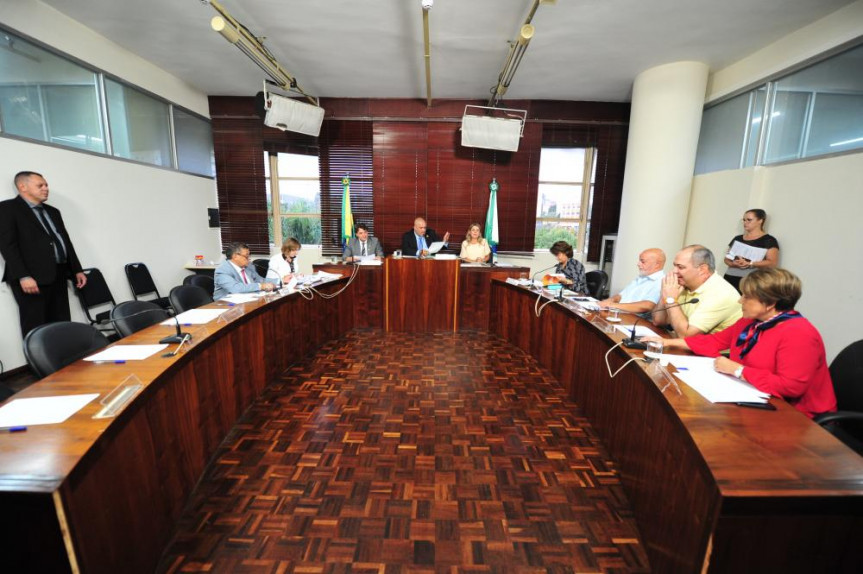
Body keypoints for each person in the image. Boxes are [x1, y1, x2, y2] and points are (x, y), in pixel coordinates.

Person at [646, 268, 836, 419]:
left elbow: (791, 387)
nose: (740, 300)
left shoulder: (799, 333)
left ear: (769, 303)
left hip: (796, 415)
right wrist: (667, 342)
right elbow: (715, 341)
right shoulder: (750, 322)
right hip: (753, 396)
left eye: (746, 296)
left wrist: (738, 370)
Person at [0, 171, 87, 337]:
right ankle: (38, 362)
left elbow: (65, 242)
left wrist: (76, 269)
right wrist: (23, 276)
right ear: (22, 186)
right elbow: (7, 246)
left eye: (46, 185)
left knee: (61, 322)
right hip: (31, 278)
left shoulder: (53, 211)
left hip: (58, 273)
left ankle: (63, 360)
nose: (46, 188)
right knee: (36, 325)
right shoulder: (7, 209)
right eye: (40, 185)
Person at [652, 245, 741, 336]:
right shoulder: (684, 284)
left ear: (702, 269)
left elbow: (686, 337)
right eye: (674, 266)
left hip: (709, 350)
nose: (674, 271)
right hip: (682, 344)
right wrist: (665, 294)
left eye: (680, 267)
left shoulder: (720, 294)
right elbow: (658, 321)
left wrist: (671, 300)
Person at [723, 208, 780, 292]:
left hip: (751, 282)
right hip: (729, 278)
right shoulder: (737, 238)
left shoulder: (769, 240)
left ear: (760, 221)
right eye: (744, 220)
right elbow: (727, 259)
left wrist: (750, 263)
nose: (745, 223)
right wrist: (733, 263)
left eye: (749, 220)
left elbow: (772, 263)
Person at [600, 248, 666, 313]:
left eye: (643, 262)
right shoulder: (642, 277)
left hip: (635, 320)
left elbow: (647, 306)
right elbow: (621, 295)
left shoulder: (661, 281)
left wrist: (613, 305)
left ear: (657, 265)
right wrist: (610, 300)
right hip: (620, 314)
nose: (638, 264)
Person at [214, 242, 279, 299]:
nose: (249, 258)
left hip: (249, 299)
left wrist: (280, 281)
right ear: (235, 256)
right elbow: (235, 288)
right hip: (227, 305)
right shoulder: (222, 270)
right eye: (246, 256)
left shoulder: (249, 266)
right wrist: (260, 286)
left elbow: (261, 280)